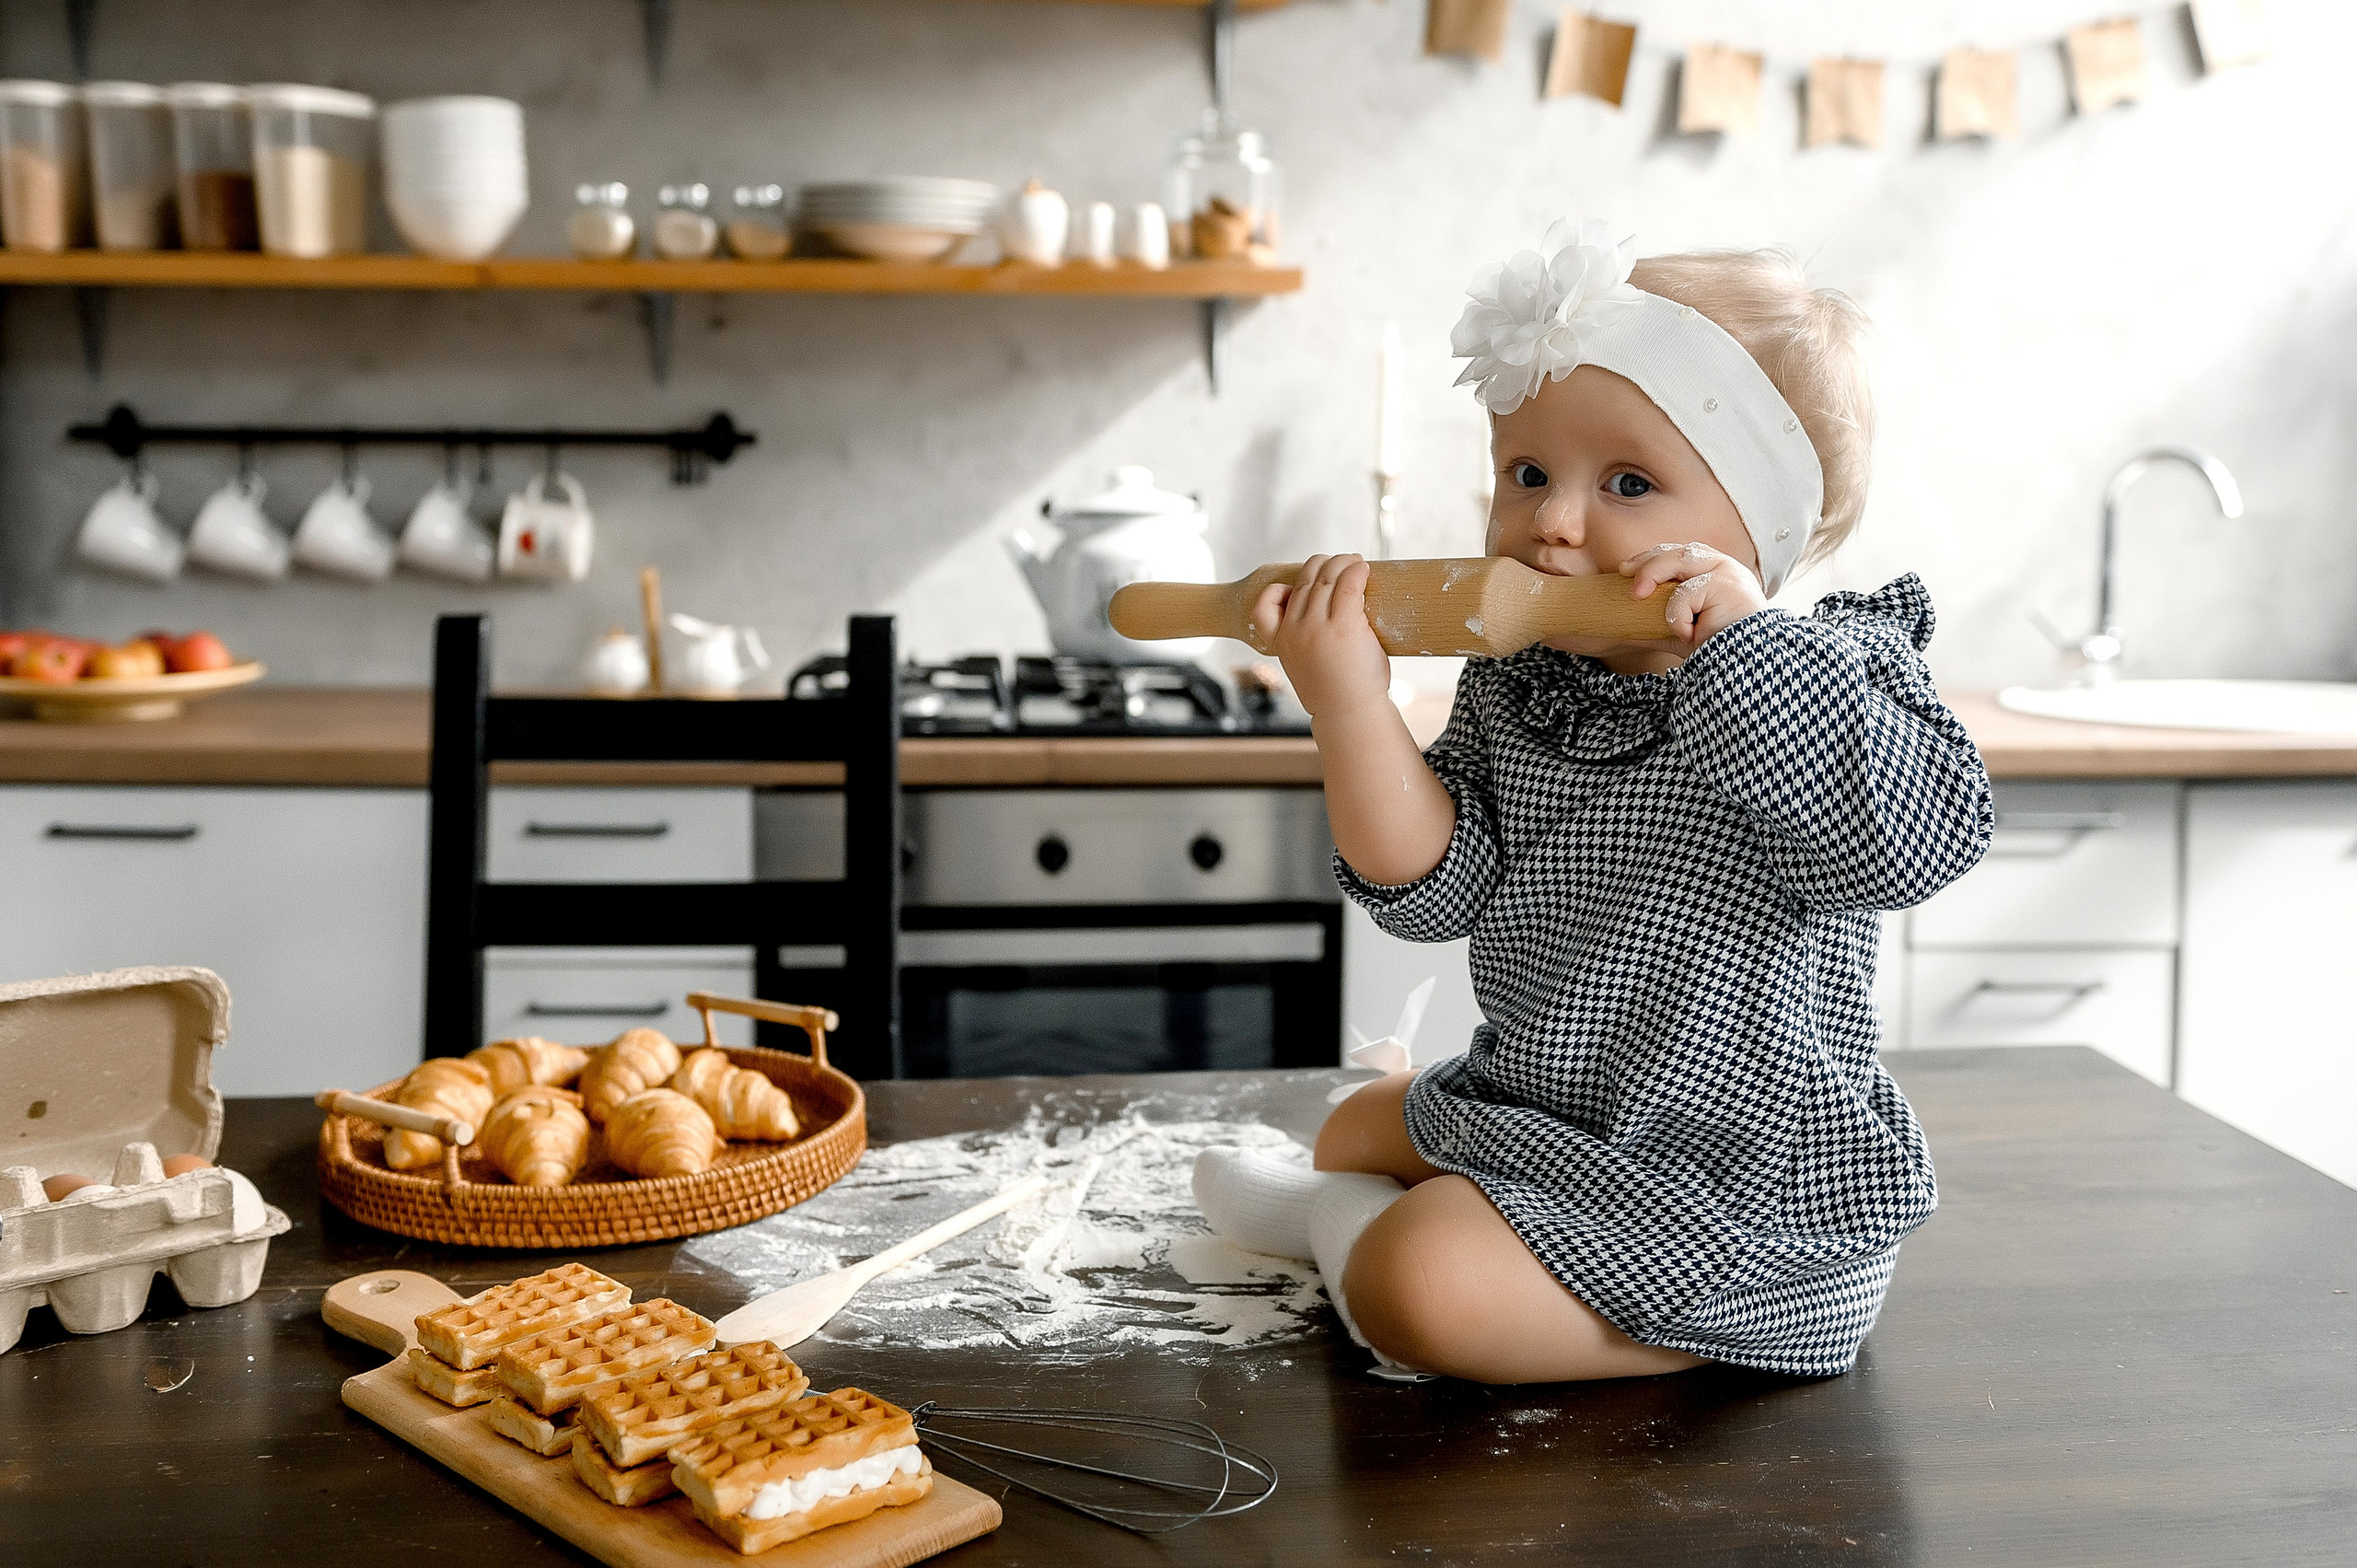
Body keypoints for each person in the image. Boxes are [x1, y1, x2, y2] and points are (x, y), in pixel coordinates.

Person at [1192, 219, 1993, 1383]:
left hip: (1734, 1185)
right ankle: (1375, 1195)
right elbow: (1431, 891)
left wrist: (1744, 653)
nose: (1553, 520)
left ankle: (1356, 1246)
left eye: (1626, 482)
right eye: (1526, 474)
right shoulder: (1523, 682)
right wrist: (1350, 707)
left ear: (1756, 529)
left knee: (1417, 1278)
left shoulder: (1832, 672)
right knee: (1342, 1128)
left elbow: (1907, 848)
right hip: (1553, 1106)